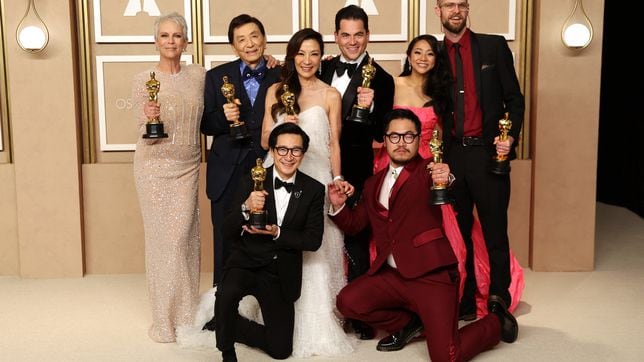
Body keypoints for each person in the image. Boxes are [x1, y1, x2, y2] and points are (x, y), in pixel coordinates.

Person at [328, 109, 518, 361]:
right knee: (348, 302)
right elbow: (354, 225)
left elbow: (445, 181)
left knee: (446, 357)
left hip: (432, 276)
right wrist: (338, 205)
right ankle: (413, 323)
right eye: (394, 136)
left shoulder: (428, 170)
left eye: (409, 136)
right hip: (392, 277)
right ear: (384, 140)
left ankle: (494, 324)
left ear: (419, 139)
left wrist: (446, 177)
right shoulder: (373, 183)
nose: (401, 143)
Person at [372, 34, 524, 320]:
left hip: (433, 165)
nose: (423, 59)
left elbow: (443, 133)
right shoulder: (392, 84)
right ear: (408, 55)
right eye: (417, 52)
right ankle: (397, 297)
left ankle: (482, 296)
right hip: (393, 162)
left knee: (449, 232)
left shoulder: (441, 94)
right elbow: (373, 119)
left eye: (429, 54)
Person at [260, 28, 354, 357]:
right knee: (280, 241)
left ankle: (318, 317)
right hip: (282, 172)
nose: (307, 60)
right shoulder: (276, 90)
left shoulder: (330, 95)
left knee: (317, 249)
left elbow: (334, 143)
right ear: (292, 56)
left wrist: (338, 178)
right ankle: (276, 310)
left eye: (314, 54)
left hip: (316, 176)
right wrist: (285, 126)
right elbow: (264, 141)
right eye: (301, 53)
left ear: (321, 57)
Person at [434, 0, 525, 319]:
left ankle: (500, 298)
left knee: (494, 230)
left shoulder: (493, 46)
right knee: (459, 233)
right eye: (449, 5)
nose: (455, 11)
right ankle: (467, 299)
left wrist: (509, 136)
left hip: (488, 153)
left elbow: (514, 99)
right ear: (438, 11)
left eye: (461, 4)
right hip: (452, 155)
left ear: (467, 8)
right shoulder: (433, 54)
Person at [214, 123, 326, 362]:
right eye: (282, 149)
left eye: (295, 150)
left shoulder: (313, 189)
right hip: (245, 261)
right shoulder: (251, 180)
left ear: (303, 154)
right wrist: (246, 207)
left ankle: (228, 324)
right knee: (226, 294)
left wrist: (278, 232)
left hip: (279, 271)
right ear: (273, 151)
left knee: (281, 350)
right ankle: (226, 349)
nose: (288, 156)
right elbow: (226, 229)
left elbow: (313, 240)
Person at [318, 4, 394, 340]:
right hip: (315, 164)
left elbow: (382, 134)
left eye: (358, 35)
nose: (352, 42)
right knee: (316, 238)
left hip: (356, 170)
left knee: (357, 240)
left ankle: (360, 312)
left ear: (368, 36)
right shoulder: (318, 67)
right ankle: (320, 309)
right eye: (345, 35)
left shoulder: (382, 78)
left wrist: (373, 105)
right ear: (335, 36)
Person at [132, 12, 204, 343]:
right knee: (162, 242)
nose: (171, 41)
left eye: (177, 35)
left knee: (184, 238)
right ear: (156, 41)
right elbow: (139, 127)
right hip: (152, 168)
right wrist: (146, 116)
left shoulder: (200, 76)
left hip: (187, 167)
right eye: (164, 35)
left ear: (185, 40)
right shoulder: (141, 80)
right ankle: (163, 317)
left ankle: (186, 315)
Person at [201, 14, 282, 288]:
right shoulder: (215, 77)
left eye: (254, 36)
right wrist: (224, 117)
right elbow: (205, 125)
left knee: (264, 236)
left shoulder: (281, 73)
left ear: (264, 39)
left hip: (267, 165)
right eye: (241, 40)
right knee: (225, 238)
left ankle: (261, 308)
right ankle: (221, 307)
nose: (250, 44)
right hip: (226, 170)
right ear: (233, 47)